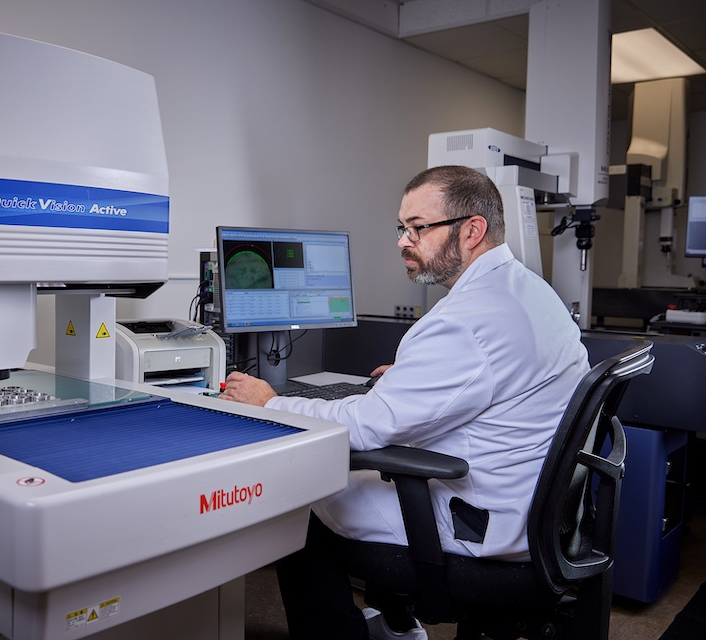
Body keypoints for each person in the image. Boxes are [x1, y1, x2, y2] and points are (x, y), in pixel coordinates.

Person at [220, 165, 590, 640]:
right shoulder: (529, 291)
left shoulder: (461, 322)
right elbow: (496, 377)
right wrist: (417, 378)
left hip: (483, 524)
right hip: (536, 511)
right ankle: (396, 622)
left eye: (418, 227)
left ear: (471, 230)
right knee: (363, 479)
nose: (402, 240)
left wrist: (270, 403)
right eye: (402, 227)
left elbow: (367, 428)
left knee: (300, 498)